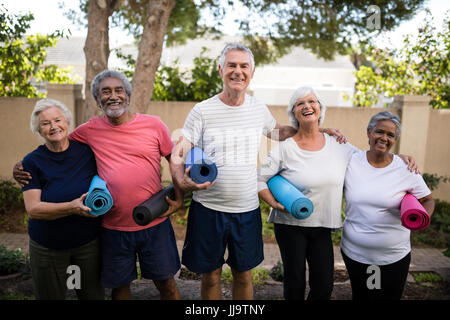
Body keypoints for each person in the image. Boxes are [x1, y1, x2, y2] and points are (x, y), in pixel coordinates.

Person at [170, 44, 344, 300]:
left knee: (243, 275)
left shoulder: (257, 108)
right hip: (208, 209)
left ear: (252, 72)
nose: (237, 71)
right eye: (232, 65)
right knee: (211, 276)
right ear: (221, 69)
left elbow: (280, 132)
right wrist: (180, 180)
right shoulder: (202, 110)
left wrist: (318, 129)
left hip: (247, 210)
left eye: (244, 66)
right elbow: (180, 149)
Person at [14, 70, 183, 300]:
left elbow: (174, 159)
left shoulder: (154, 125)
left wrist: (180, 195)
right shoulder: (87, 131)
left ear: (128, 95)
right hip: (112, 227)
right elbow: (55, 141)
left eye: (118, 90)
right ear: (97, 100)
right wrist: (21, 167)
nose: (113, 96)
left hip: (154, 222)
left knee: (167, 285)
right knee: (119, 288)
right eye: (106, 91)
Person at [257, 87, 418, 300]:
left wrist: (398, 158)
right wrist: (273, 203)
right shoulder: (285, 148)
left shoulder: (339, 146)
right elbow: (259, 178)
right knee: (294, 283)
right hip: (290, 225)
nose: (307, 106)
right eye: (300, 103)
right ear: (293, 112)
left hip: (322, 227)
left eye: (312, 101)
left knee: (324, 287)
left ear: (320, 108)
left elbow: (368, 158)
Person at [340, 111, 434, 300]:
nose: (384, 138)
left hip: (394, 256)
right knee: (363, 297)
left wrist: (423, 220)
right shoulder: (351, 160)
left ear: (395, 139)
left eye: (390, 135)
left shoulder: (405, 168)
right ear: (368, 133)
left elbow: (428, 199)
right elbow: (322, 137)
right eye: (379, 132)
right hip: (356, 254)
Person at [21, 98, 104, 300]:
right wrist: (71, 207)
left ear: (67, 122)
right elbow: (33, 209)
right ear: (38, 130)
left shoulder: (87, 152)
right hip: (48, 247)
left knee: (92, 296)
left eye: (57, 120)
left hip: (87, 244)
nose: (53, 127)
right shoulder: (32, 162)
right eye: (45, 123)